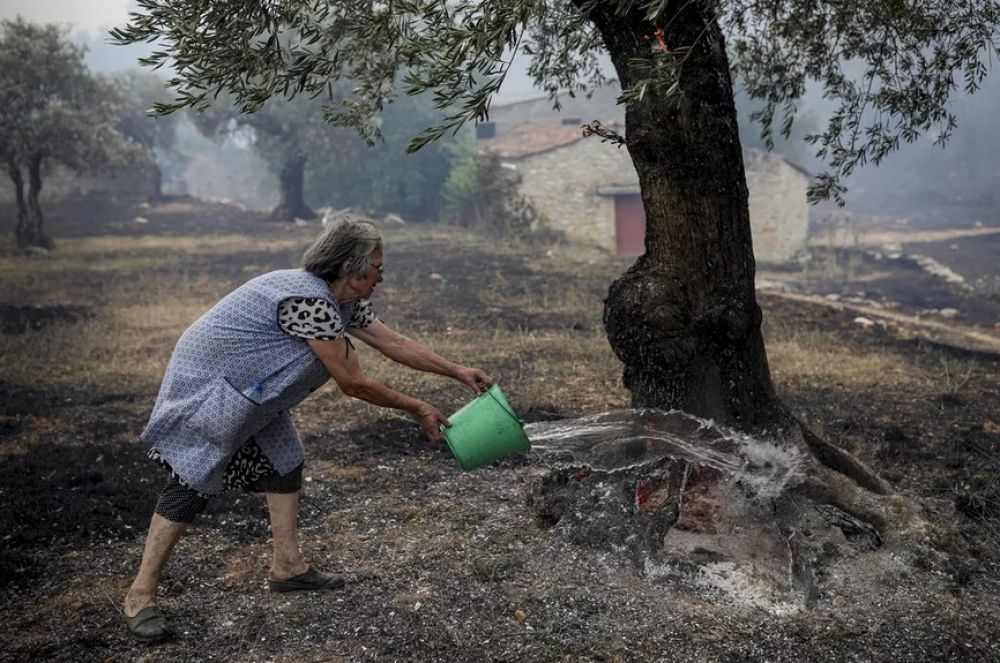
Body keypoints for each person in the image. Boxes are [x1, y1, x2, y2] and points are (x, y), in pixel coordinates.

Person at [123, 219, 491, 642]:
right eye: (377, 267)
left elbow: (396, 344)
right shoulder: (309, 301)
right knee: (192, 481)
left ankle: (288, 566)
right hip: (212, 389)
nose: (382, 277)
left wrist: (456, 370)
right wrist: (418, 406)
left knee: (285, 461)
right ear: (350, 268)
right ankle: (140, 594)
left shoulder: (343, 303)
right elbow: (353, 383)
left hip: (255, 392)